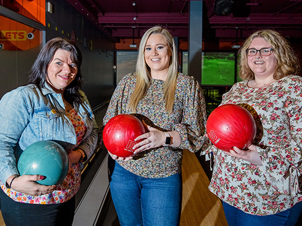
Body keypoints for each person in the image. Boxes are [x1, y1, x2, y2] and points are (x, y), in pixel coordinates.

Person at [103, 26, 207, 225]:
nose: (154, 53)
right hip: (124, 172)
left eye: (160, 47)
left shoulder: (186, 85)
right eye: (148, 48)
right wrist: (112, 148)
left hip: (163, 176)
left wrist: (164, 137)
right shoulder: (129, 83)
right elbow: (109, 121)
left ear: (170, 50)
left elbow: (198, 135)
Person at [204, 29, 302, 225]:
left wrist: (262, 158)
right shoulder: (238, 88)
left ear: (280, 54)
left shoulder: (293, 87)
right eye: (252, 51)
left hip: (266, 196)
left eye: (266, 50)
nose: (258, 56)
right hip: (230, 189)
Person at [0, 37, 99, 226]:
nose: (67, 70)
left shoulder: (79, 99)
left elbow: (93, 132)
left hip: (67, 193)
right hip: (31, 200)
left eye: (73, 65)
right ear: (45, 64)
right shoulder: (25, 97)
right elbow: (1, 142)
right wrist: (11, 180)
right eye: (59, 63)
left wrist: (79, 154)